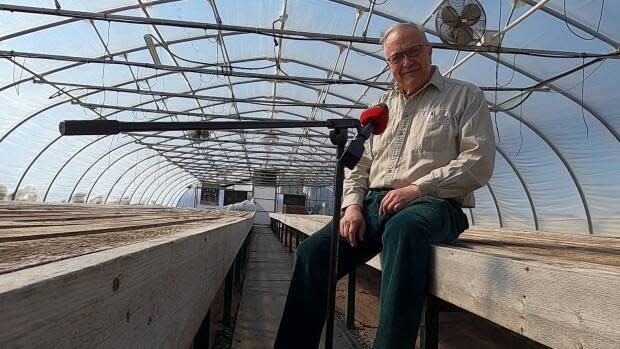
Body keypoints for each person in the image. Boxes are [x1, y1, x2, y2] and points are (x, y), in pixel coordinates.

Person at [274, 22, 495, 349]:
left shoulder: (464, 96)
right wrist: (351, 206)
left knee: (403, 230)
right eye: (396, 57)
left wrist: (418, 189)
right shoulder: (382, 108)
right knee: (313, 254)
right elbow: (359, 164)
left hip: (434, 203)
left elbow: (478, 161)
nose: (406, 62)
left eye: (414, 51)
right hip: (374, 204)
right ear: (389, 64)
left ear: (430, 51)